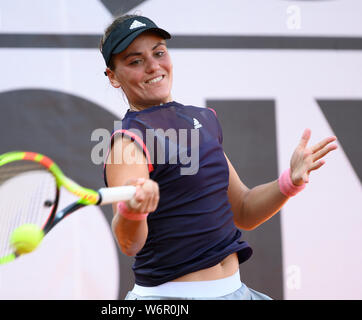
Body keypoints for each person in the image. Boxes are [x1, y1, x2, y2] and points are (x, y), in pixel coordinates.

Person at [100, 15, 337, 300]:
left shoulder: (202, 119)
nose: (153, 66)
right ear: (113, 76)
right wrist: (134, 210)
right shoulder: (128, 141)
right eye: (135, 60)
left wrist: (290, 182)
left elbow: (245, 209)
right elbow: (129, 243)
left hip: (237, 291)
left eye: (159, 52)